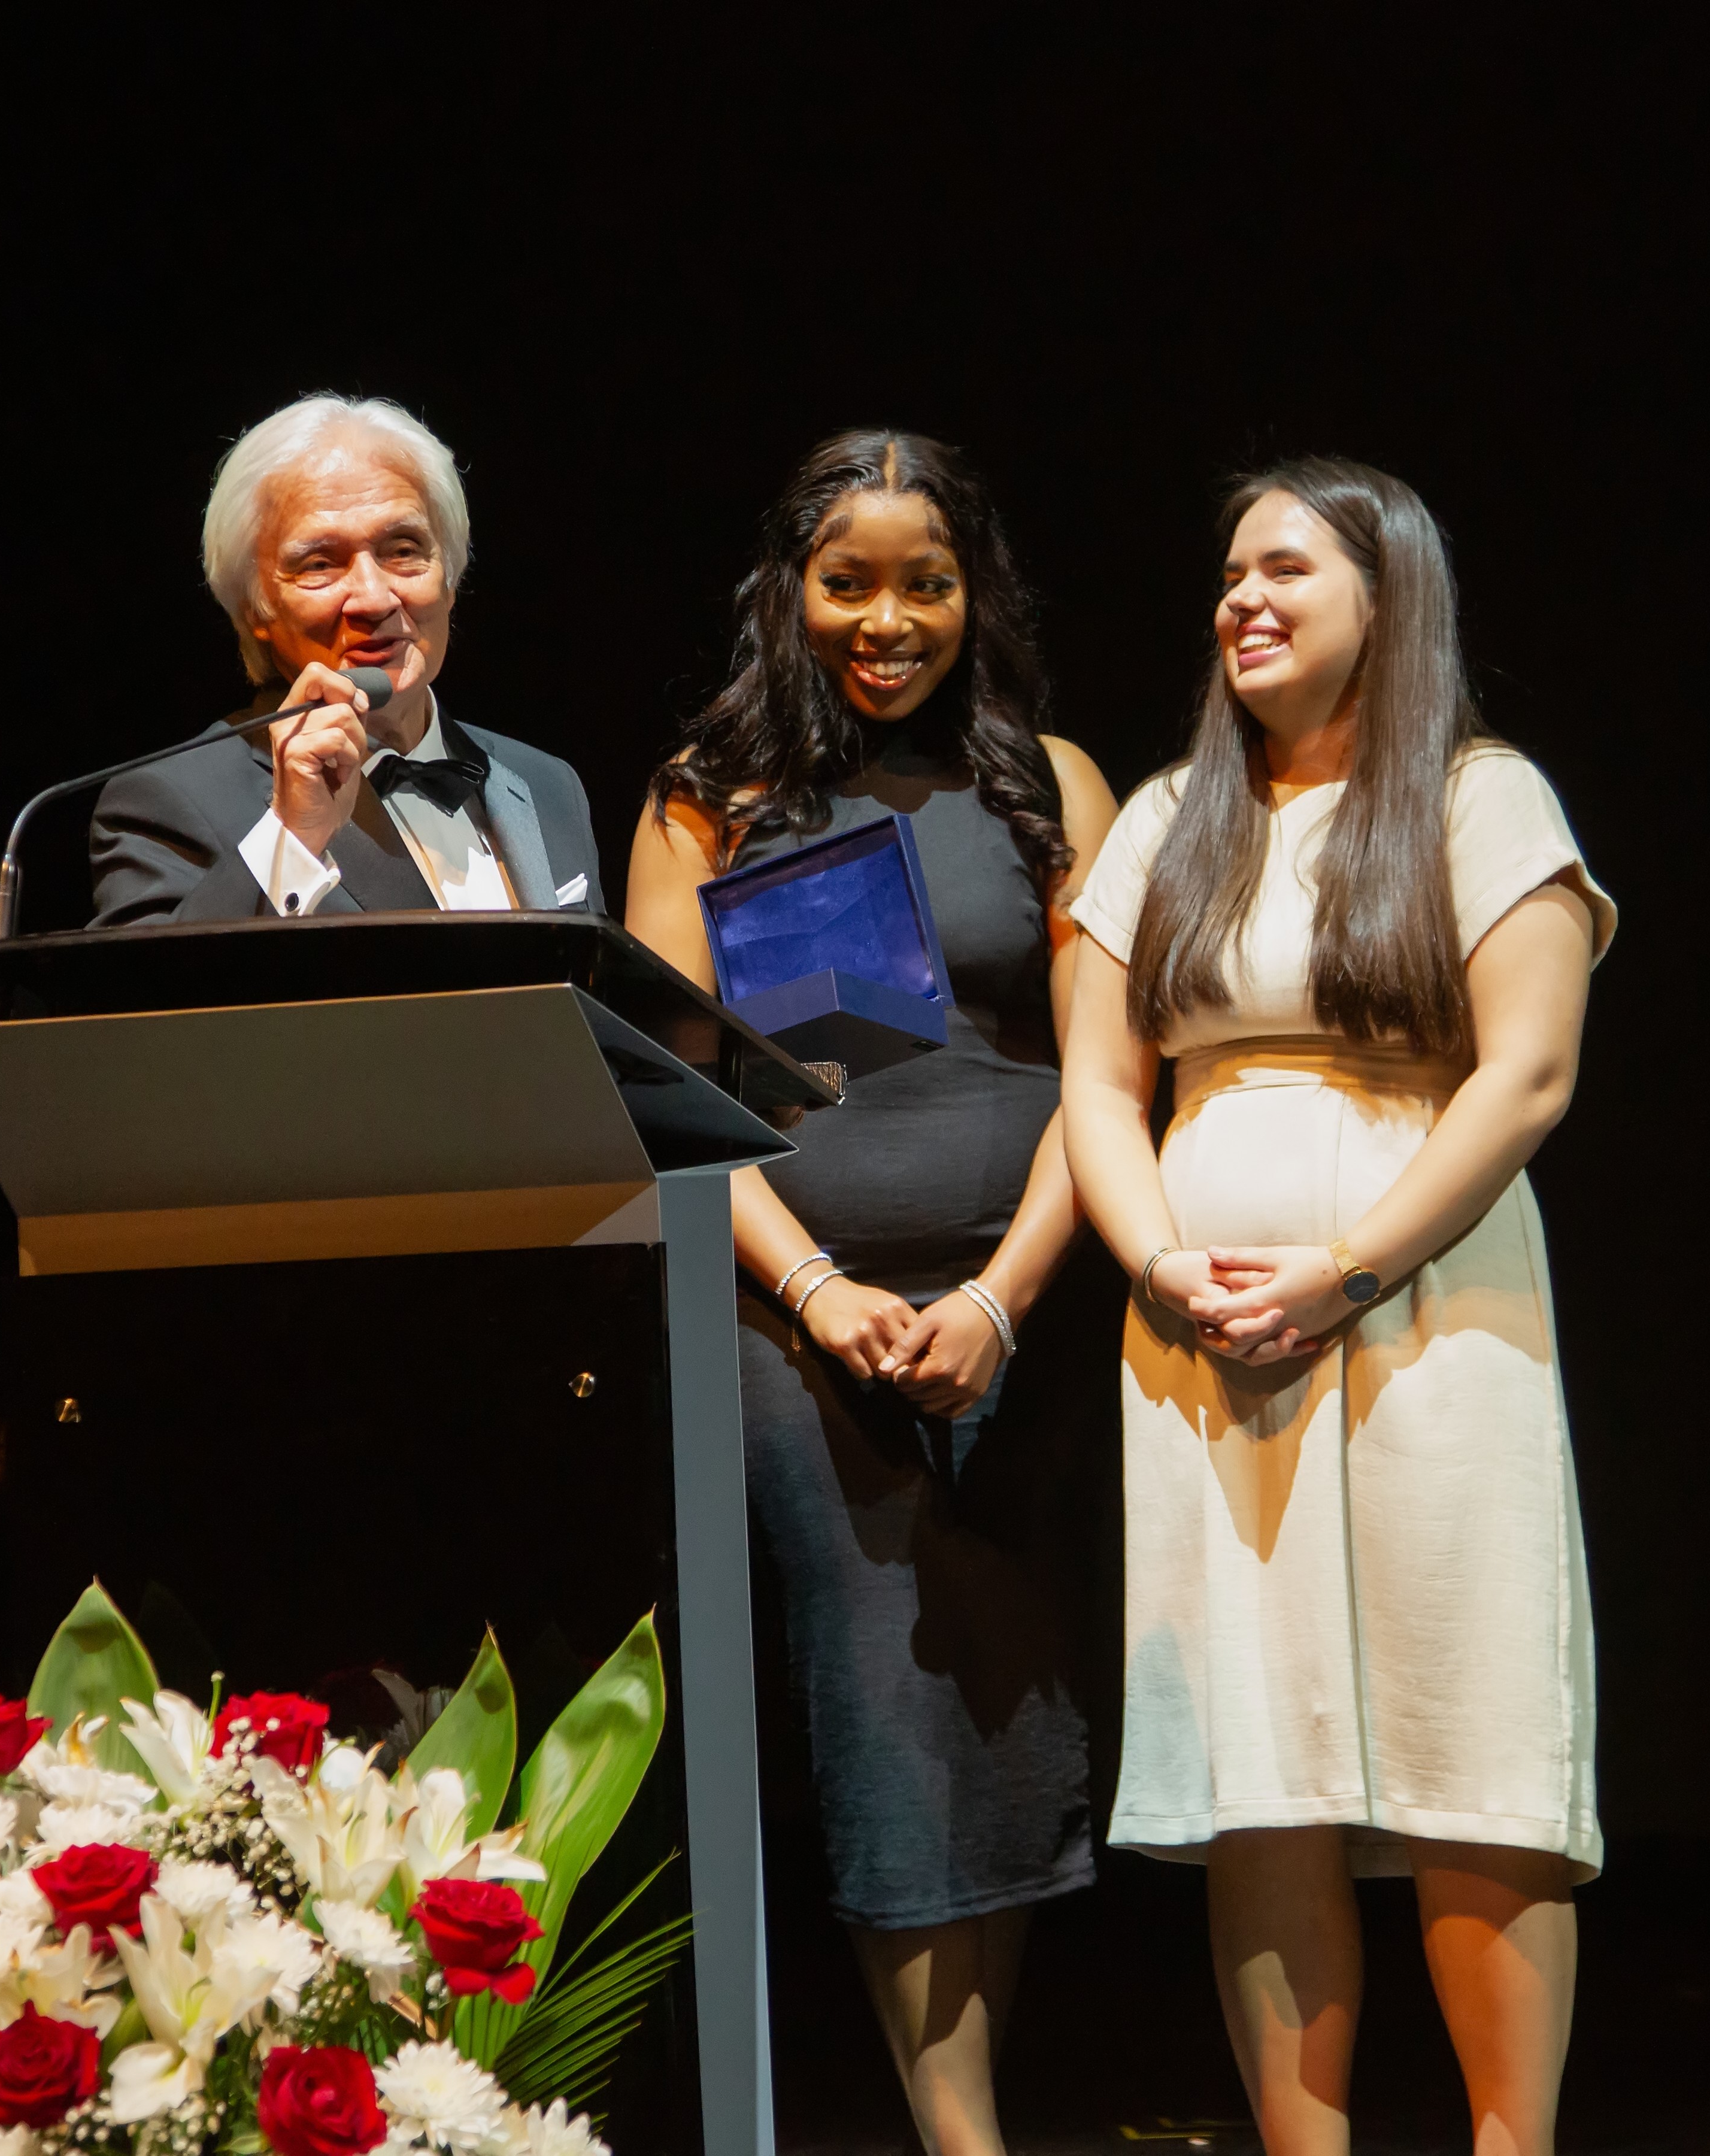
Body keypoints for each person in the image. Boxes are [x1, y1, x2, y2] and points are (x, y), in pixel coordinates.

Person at [1059, 458, 1617, 2156]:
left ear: (1387, 595)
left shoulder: (1476, 796)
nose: (1242, 597)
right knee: (1264, 1757)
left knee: (1469, 1721)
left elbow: (1524, 1075)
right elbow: (1097, 1088)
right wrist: (1160, 1261)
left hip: (1434, 1314)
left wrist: (1348, 1266)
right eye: (1230, 572)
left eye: (1286, 568)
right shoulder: (1169, 816)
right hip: (1209, 1348)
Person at [626, 430, 1118, 2156]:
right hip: (795, 1321)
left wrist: (1003, 1297)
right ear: (791, 588)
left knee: (1007, 1708)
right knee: (882, 1705)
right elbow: (667, 1098)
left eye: (927, 583)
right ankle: (959, 2136)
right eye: (848, 582)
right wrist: (820, 1286)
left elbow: (1109, 1079)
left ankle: (967, 2107)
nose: (886, 620)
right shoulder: (707, 795)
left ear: (976, 594)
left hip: (1024, 1313)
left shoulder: (1047, 781)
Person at [89, 393, 604, 926]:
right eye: (319, 564)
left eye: (403, 550)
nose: (374, 599)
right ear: (255, 608)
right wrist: (291, 837)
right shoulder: (169, 801)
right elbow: (158, 983)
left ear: (451, 577)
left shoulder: (548, 784)